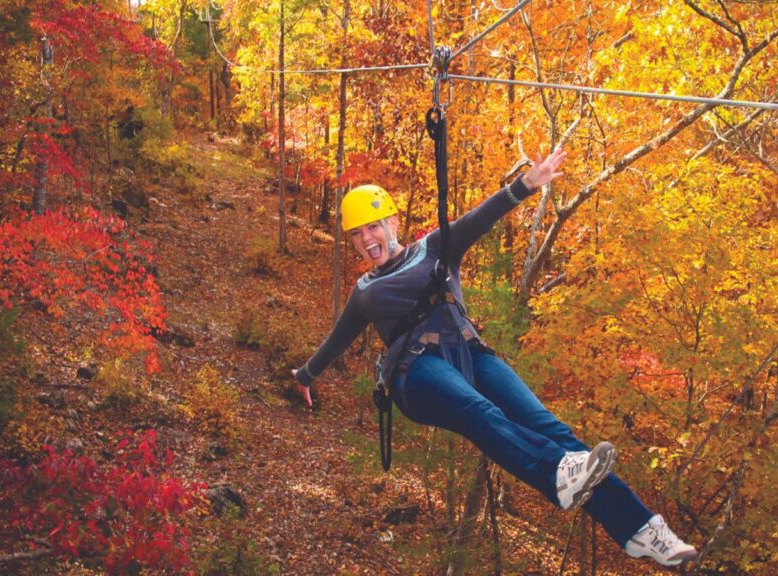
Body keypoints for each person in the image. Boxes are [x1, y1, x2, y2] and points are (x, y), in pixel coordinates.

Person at [292, 148, 697, 567]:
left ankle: (643, 531)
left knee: (556, 433)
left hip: (468, 355)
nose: (366, 240)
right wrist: (305, 375)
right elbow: (337, 341)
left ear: (393, 222)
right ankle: (557, 474)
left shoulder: (435, 248)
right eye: (356, 234)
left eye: (373, 226)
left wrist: (525, 185)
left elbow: (478, 219)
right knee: (477, 409)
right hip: (415, 375)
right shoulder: (365, 292)